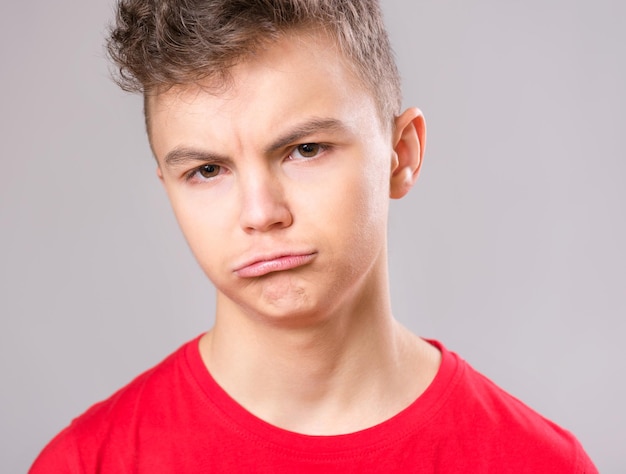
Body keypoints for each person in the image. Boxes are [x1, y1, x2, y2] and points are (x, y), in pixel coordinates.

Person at [30, 0, 597, 472]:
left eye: (305, 150)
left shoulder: (538, 463)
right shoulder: (85, 464)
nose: (260, 213)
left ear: (401, 155)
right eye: (206, 171)